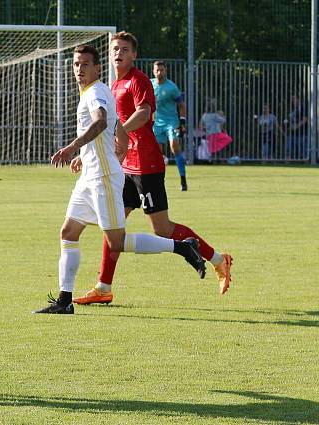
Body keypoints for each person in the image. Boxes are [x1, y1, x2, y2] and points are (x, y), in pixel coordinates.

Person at [33, 44, 205, 315]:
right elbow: (117, 132)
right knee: (68, 232)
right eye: (76, 64)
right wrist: (90, 154)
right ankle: (64, 301)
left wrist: (72, 148)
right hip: (90, 177)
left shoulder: (97, 93)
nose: (79, 69)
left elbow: (101, 122)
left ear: (97, 68)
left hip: (103, 178)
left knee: (117, 242)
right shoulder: (94, 92)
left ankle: (183, 248)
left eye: (85, 64)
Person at [73, 32, 233, 306]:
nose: (118, 53)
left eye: (124, 49)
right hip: (124, 167)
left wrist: (121, 129)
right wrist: (84, 154)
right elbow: (107, 129)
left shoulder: (139, 80)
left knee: (162, 228)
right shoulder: (113, 85)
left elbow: (145, 113)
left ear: (134, 55)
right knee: (113, 227)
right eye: (114, 49)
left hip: (146, 165)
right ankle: (103, 287)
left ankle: (219, 259)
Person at [151, 61, 188, 191]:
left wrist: (182, 123)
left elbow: (181, 105)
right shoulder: (150, 85)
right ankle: (159, 181)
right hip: (157, 123)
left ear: (165, 71)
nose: (160, 72)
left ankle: (183, 179)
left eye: (162, 70)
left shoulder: (171, 87)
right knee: (157, 153)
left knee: (174, 147)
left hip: (171, 122)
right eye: (157, 70)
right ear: (153, 71)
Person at [285, 95, 308, 160]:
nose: (293, 100)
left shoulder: (303, 107)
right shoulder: (292, 108)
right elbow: (288, 119)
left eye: (294, 98)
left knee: (303, 151)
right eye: (292, 99)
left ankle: (305, 162)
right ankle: (287, 162)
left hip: (302, 133)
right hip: (291, 133)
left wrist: (296, 126)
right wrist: (288, 125)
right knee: (288, 148)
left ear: (298, 99)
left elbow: (305, 119)